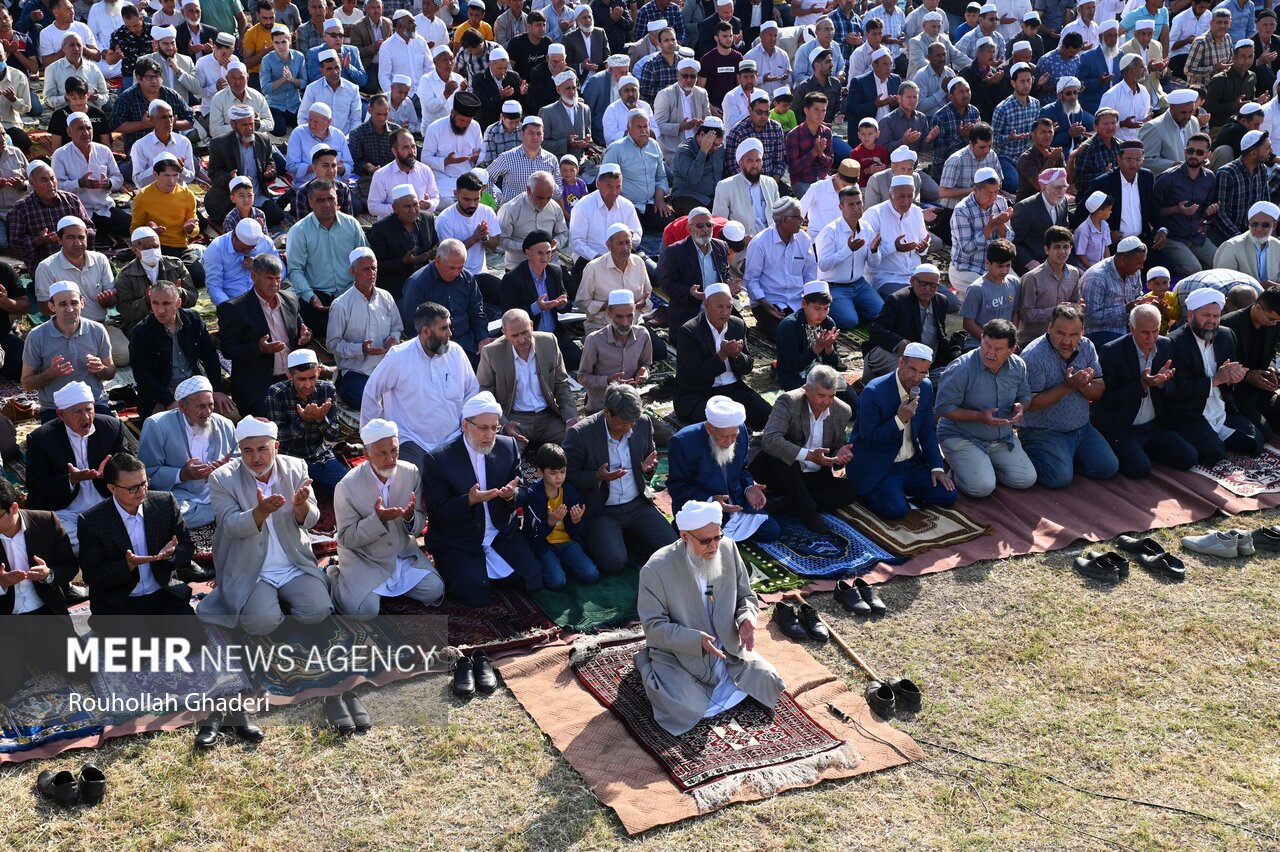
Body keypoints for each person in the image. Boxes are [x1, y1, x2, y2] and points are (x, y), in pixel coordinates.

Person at [635, 496, 784, 738]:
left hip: (726, 647)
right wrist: (695, 641)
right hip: (681, 653)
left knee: (768, 681)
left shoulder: (728, 548)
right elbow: (653, 626)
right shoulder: (656, 569)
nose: (714, 546)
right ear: (685, 537)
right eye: (705, 541)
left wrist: (746, 618)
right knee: (681, 708)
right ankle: (645, 663)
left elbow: (746, 595)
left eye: (717, 537)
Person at [199, 416, 332, 636]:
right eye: (247, 451)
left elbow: (311, 519)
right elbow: (230, 525)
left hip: (292, 563)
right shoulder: (222, 478)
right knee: (261, 625)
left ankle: (277, 601)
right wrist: (260, 512)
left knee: (318, 611)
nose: (256, 458)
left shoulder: (296, 467)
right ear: (239, 450)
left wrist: (300, 507)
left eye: (262, 449)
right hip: (250, 568)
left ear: (276, 446)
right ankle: (262, 603)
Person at [420, 392, 542, 606]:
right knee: (474, 594)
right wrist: (469, 500)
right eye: (483, 428)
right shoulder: (439, 459)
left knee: (532, 580)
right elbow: (437, 510)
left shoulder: (507, 447)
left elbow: (522, 490)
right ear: (465, 425)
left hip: (499, 532)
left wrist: (510, 495)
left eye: (494, 428)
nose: (490, 435)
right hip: (460, 538)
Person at [333, 417, 443, 619]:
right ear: (366, 454)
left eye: (394, 451)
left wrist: (410, 517)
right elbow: (346, 538)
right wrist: (378, 520)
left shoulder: (410, 472)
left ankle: (383, 588)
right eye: (382, 453)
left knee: (434, 590)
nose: (391, 459)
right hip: (365, 559)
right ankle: (335, 577)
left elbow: (419, 523)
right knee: (365, 611)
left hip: (401, 555)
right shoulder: (346, 486)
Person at [563, 382, 675, 575]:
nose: (628, 428)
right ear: (607, 411)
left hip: (636, 504)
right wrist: (597, 477)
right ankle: (617, 539)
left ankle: (627, 537)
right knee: (613, 562)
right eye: (623, 423)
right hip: (602, 509)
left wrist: (646, 469)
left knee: (672, 549)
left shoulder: (642, 423)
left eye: (632, 422)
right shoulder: (580, 434)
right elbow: (567, 476)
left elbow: (647, 459)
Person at [362, 301, 480, 470]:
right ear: (426, 331)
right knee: (413, 484)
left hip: (453, 438)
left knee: (467, 481)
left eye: (449, 327)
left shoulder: (456, 352)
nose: (450, 333)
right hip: (413, 440)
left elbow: (471, 390)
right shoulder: (399, 356)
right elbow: (371, 393)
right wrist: (374, 438)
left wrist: (469, 424)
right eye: (444, 328)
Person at [1091, 303, 1198, 479]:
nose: (1151, 337)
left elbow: (1174, 391)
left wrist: (1162, 383)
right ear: (1131, 328)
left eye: (1155, 331)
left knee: (1188, 458)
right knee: (1139, 469)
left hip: (1153, 425)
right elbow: (1108, 398)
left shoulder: (1166, 345)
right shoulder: (1112, 351)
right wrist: (1141, 384)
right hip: (1122, 426)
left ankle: (1144, 450)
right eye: (1144, 332)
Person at [851, 342, 957, 518]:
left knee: (948, 495)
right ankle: (863, 486)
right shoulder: (874, 392)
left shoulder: (925, 387)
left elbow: (927, 432)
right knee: (896, 510)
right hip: (882, 464)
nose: (917, 377)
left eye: (923, 372)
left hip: (910, 464)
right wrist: (899, 420)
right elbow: (869, 439)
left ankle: (901, 489)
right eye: (912, 370)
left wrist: (937, 467)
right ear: (901, 362)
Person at [1018, 303, 1120, 487]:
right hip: (1044, 431)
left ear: (1082, 331)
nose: (1067, 341)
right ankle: (1030, 454)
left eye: (1073, 335)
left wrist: (1082, 386)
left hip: (1081, 427)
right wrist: (1067, 386)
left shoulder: (1087, 346)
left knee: (1107, 468)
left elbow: (1099, 390)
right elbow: (1029, 404)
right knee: (1059, 479)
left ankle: (1064, 458)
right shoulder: (1033, 356)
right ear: (1049, 328)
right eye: (1060, 333)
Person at [0, 478, 82, 706]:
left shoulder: (46, 522)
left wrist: (49, 574)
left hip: (44, 615)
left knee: (84, 668)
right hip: (6, 621)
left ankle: (35, 650)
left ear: (14, 508)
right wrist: (2, 584)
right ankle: (22, 655)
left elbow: (69, 566)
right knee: (4, 686)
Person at [746, 366, 857, 533]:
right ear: (807, 390)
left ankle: (781, 506)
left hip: (809, 476)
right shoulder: (789, 401)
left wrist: (839, 455)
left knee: (849, 490)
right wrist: (809, 456)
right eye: (821, 396)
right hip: (777, 471)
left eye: (831, 396)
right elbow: (770, 440)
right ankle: (808, 512)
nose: (826, 402)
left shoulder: (841, 410)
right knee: (784, 455)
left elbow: (836, 447)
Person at [935, 319, 1037, 497]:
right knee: (981, 488)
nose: (990, 353)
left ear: (1012, 350)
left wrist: (1022, 407)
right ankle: (962, 468)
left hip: (1001, 438)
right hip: (963, 436)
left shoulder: (1018, 365)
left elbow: (1025, 395)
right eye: (986, 345)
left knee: (1026, 479)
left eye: (998, 349)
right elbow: (942, 409)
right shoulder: (961, 368)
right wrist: (978, 417)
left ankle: (980, 467)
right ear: (981, 338)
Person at [25, 381, 130, 550]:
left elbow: (129, 465)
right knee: (61, 539)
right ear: (61, 415)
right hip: (65, 511)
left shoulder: (111, 427)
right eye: (77, 412)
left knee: (141, 522)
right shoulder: (41, 439)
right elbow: (35, 484)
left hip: (106, 503)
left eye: (89, 409)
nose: (86, 417)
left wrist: (111, 470)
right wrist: (71, 480)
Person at [1165, 287, 1265, 463]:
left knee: (1256, 441)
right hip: (1190, 412)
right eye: (1206, 315)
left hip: (1219, 408)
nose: (1211, 321)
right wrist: (1215, 380)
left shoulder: (1225, 335)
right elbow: (1175, 392)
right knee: (1215, 453)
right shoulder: (1174, 343)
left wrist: (1234, 378)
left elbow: (1229, 380)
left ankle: (1212, 436)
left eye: (1216, 316)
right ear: (1190, 316)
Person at [668, 396, 778, 543]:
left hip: (736, 505)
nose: (730, 441)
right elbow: (677, 487)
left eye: (734, 436)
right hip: (704, 508)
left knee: (772, 531)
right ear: (709, 428)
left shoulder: (741, 431)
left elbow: (742, 469)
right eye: (724, 437)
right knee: (710, 543)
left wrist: (749, 488)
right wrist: (711, 501)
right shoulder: (682, 442)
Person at [138, 375, 238, 531]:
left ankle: (218, 512)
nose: (207, 412)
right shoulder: (157, 425)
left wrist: (227, 469)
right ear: (182, 406)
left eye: (210, 405)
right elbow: (147, 472)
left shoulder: (225, 424)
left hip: (219, 491)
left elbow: (239, 460)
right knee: (166, 513)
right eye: (201, 406)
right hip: (182, 495)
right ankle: (221, 513)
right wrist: (183, 474)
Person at [217, 254, 311, 418]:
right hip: (258, 386)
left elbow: (301, 329)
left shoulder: (290, 299)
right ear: (254, 276)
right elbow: (227, 350)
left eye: (278, 278)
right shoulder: (235, 309)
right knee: (274, 423)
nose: (275, 284)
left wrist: (305, 336)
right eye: (269, 278)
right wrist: (258, 348)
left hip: (294, 379)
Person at [33, 216, 128, 365]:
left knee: (124, 355)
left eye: (81, 237)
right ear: (59, 240)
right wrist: (66, 306)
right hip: (64, 330)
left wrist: (107, 300)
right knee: (59, 362)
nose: (77, 243)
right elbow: (44, 307)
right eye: (71, 238)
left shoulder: (100, 259)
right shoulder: (47, 267)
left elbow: (113, 299)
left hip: (99, 325)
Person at [476, 309, 578, 449]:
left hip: (548, 416)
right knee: (506, 454)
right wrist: (504, 424)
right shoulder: (491, 352)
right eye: (515, 335)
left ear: (531, 325)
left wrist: (571, 418)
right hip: (514, 418)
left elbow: (561, 383)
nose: (522, 339)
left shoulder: (549, 342)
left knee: (576, 443)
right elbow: (485, 392)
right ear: (504, 333)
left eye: (524, 332)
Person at [675, 283, 771, 429]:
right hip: (701, 393)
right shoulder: (689, 331)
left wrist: (736, 355)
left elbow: (747, 367)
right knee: (723, 427)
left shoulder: (737, 325)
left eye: (729, 307)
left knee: (769, 418)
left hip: (733, 388)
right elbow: (697, 376)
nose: (725, 312)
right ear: (706, 304)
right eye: (720, 307)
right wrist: (722, 355)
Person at [129, 280, 228, 416]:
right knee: (174, 428)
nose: (160, 310)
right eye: (155, 303)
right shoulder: (142, 332)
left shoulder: (193, 320)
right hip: (162, 392)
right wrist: (169, 400)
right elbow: (142, 375)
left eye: (166, 303)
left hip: (195, 385)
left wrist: (216, 389)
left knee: (232, 415)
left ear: (178, 303)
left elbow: (210, 356)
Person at [21, 282, 115, 420]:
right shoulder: (36, 336)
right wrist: (50, 374)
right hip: (56, 408)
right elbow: (27, 383)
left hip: (92, 404)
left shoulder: (97, 330)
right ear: (52, 307)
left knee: (110, 435)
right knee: (55, 441)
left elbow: (111, 372)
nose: (70, 309)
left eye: (74, 303)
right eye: (63, 304)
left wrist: (101, 369)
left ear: (82, 303)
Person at [289, 179, 368, 339]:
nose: (326, 204)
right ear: (310, 202)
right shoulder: (299, 231)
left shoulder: (351, 224)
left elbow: (365, 259)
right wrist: (311, 296)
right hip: (319, 296)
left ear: (337, 199)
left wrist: (363, 290)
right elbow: (295, 270)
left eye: (330, 199)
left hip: (350, 291)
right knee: (321, 328)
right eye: (320, 200)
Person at [327, 247, 402, 409]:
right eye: (366, 269)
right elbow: (333, 344)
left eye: (374, 268)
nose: (371, 273)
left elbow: (397, 327)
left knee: (409, 394)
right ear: (352, 271)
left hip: (385, 366)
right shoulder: (341, 305)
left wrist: (393, 339)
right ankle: (340, 383)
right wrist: (361, 349)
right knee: (369, 401)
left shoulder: (386, 297)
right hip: (356, 370)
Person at [265, 349, 345, 498]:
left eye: (312, 378)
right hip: (289, 459)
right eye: (301, 379)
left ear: (319, 372)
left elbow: (334, 434)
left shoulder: (327, 390)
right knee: (285, 499)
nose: (308, 385)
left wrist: (321, 419)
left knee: (348, 489)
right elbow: (278, 438)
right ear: (290, 376)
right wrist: (304, 420)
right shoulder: (276, 394)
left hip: (320, 457)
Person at [518, 441, 598, 590]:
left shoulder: (569, 491)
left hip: (567, 542)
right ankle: (553, 566)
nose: (559, 477)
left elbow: (575, 531)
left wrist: (576, 521)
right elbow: (533, 535)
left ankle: (563, 563)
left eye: (562, 471)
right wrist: (551, 521)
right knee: (557, 583)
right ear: (540, 472)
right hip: (545, 545)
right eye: (553, 473)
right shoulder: (533, 496)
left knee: (591, 574)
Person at [862, 263, 956, 381]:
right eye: (923, 283)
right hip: (894, 352)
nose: (927, 288)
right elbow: (876, 329)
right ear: (912, 281)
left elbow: (939, 333)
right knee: (908, 374)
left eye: (932, 285)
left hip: (925, 356)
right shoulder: (898, 300)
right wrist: (899, 343)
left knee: (953, 375)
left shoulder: (941, 301)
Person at [401, 238, 490, 362]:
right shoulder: (417, 284)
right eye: (452, 268)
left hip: (468, 346)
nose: (456, 273)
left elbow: (477, 312)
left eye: (460, 268)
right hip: (435, 350)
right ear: (438, 260)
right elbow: (414, 327)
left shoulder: (467, 278)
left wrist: (483, 338)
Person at [130, 152, 204, 290]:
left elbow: (195, 230)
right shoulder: (143, 196)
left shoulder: (187, 195)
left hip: (180, 247)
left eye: (175, 175)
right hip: (155, 247)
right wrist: (150, 232)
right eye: (167, 175)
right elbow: (134, 229)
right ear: (155, 175)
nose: (171, 180)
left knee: (199, 278)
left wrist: (190, 229)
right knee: (159, 283)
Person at [51, 111, 127, 238]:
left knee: (132, 229)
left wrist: (108, 183)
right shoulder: (60, 155)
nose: (86, 133)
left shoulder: (104, 151)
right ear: (69, 132)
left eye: (88, 128)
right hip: (77, 212)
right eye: (80, 129)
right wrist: (79, 183)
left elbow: (118, 178)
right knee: (85, 237)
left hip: (104, 208)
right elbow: (57, 187)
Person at [7, 161, 94, 274]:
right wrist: (40, 240)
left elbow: (90, 229)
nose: (51, 184)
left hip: (77, 264)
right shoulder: (22, 208)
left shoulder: (72, 200)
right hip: (46, 269)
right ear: (32, 183)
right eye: (44, 180)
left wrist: (76, 237)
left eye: (52, 178)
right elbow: (16, 244)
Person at [206, 108, 284, 228]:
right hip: (231, 198)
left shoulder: (263, 140)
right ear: (233, 125)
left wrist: (270, 171)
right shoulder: (219, 144)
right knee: (234, 221)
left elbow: (269, 163)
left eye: (251, 124)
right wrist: (230, 178)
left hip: (255, 195)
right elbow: (213, 173)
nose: (249, 129)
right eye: (244, 125)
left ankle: (250, 218)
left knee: (276, 215)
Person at [578, 290, 653, 414]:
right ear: (609, 313)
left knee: (657, 432)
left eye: (630, 316)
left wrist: (644, 372)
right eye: (619, 316)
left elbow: (646, 364)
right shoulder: (594, 340)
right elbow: (583, 377)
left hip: (630, 402)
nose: (625, 323)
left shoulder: (642, 335)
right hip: (602, 406)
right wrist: (608, 380)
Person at [1221, 287, 1280, 433]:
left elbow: (1272, 353)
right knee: (1263, 433)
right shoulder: (1228, 325)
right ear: (1258, 307)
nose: (1274, 324)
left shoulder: (1274, 321)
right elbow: (1219, 366)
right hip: (1236, 392)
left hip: (1261, 388)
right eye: (1271, 319)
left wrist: (1271, 368)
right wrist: (1247, 376)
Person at [577, 222, 654, 334]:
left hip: (634, 324)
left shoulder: (639, 263)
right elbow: (582, 301)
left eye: (628, 242)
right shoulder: (594, 268)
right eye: (620, 243)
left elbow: (647, 293)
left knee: (658, 350)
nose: (625, 248)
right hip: (602, 326)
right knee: (608, 350)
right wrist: (608, 306)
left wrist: (643, 303)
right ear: (609, 245)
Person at [369, 185, 440, 301]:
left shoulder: (427, 219)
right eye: (407, 207)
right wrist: (403, 261)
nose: (412, 210)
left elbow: (435, 243)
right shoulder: (381, 228)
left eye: (415, 205)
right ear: (395, 208)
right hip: (397, 288)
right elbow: (377, 265)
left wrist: (434, 252)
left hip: (426, 282)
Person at [1017, 225, 1080, 346]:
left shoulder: (1073, 273)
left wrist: (1076, 307)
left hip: (1063, 339)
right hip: (1032, 340)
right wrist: (1055, 311)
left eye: (1065, 247)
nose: (1062, 252)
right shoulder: (1032, 278)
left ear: (1071, 248)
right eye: (1057, 247)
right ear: (1046, 249)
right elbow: (1026, 314)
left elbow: (1074, 302)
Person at [1082, 235, 1148, 347]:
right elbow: (1089, 317)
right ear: (1123, 260)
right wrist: (1125, 310)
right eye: (1138, 263)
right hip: (1099, 335)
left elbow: (1138, 295)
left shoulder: (1134, 271)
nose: (1141, 267)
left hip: (1129, 330)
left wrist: (1144, 303)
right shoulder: (1097, 277)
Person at [204, 218, 284, 307]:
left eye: (251, 249)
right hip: (233, 301)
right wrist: (231, 307)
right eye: (242, 248)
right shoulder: (217, 248)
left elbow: (281, 271)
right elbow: (214, 287)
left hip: (265, 298)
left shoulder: (265, 242)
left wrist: (261, 266)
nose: (246, 252)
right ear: (234, 236)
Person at [711, 137, 781, 237]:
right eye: (750, 161)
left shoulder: (770, 183)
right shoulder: (725, 187)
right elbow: (719, 224)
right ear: (740, 163)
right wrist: (742, 241)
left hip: (770, 243)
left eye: (758, 160)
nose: (755, 165)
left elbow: (778, 217)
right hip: (742, 248)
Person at [958, 239, 1020, 351]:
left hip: (1006, 344)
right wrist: (991, 343)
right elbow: (968, 323)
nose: (1005, 270)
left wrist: (1011, 339)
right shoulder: (976, 289)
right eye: (1000, 266)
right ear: (988, 263)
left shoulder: (1014, 282)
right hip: (978, 344)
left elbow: (1016, 313)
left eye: (1008, 265)